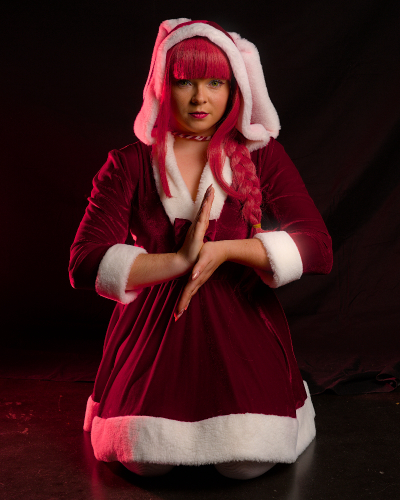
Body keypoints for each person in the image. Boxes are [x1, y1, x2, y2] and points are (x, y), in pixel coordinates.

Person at [69, 19, 333, 480]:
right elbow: (84, 261)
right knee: (145, 460)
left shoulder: (262, 156)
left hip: (243, 328)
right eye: (184, 82)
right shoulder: (130, 163)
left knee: (245, 463)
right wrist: (179, 261)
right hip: (150, 336)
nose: (199, 98)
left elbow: (317, 248)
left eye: (215, 83)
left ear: (235, 89)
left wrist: (226, 251)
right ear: (161, 86)